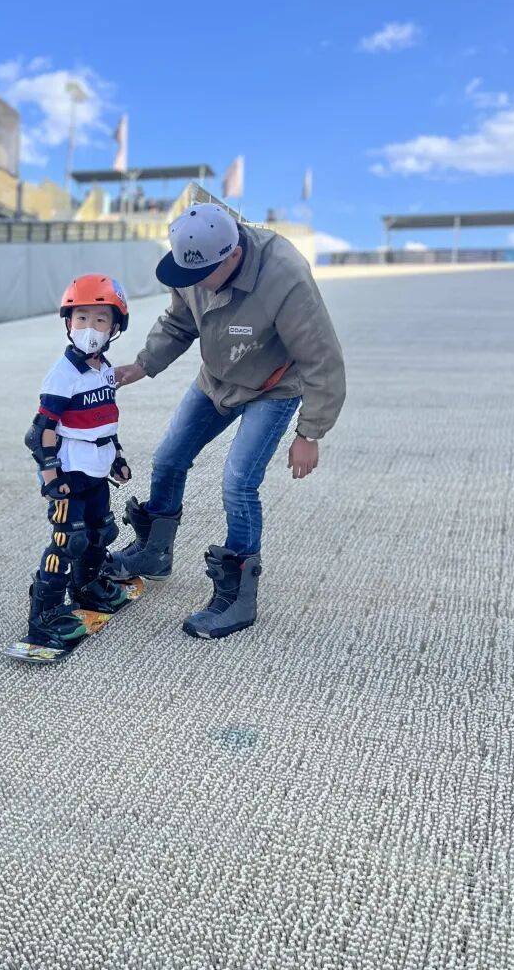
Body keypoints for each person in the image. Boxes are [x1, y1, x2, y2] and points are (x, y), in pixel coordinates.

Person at [107, 204, 345, 639]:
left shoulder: (284, 276)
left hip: (272, 387)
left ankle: (238, 597)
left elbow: (322, 359)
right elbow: (179, 322)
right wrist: (143, 364)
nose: (194, 283)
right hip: (216, 379)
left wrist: (310, 432)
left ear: (233, 254)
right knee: (169, 458)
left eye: (203, 274)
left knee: (238, 482)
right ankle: (154, 553)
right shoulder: (191, 267)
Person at [22, 275, 134, 651]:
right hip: (70, 470)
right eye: (82, 318)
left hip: (96, 468)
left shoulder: (104, 370)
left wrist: (116, 458)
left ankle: (87, 586)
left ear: (115, 327)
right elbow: (40, 432)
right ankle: (45, 614)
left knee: (102, 531)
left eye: (100, 320)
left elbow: (105, 420)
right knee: (69, 540)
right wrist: (51, 477)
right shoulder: (63, 375)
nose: (90, 328)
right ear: (68, 322)